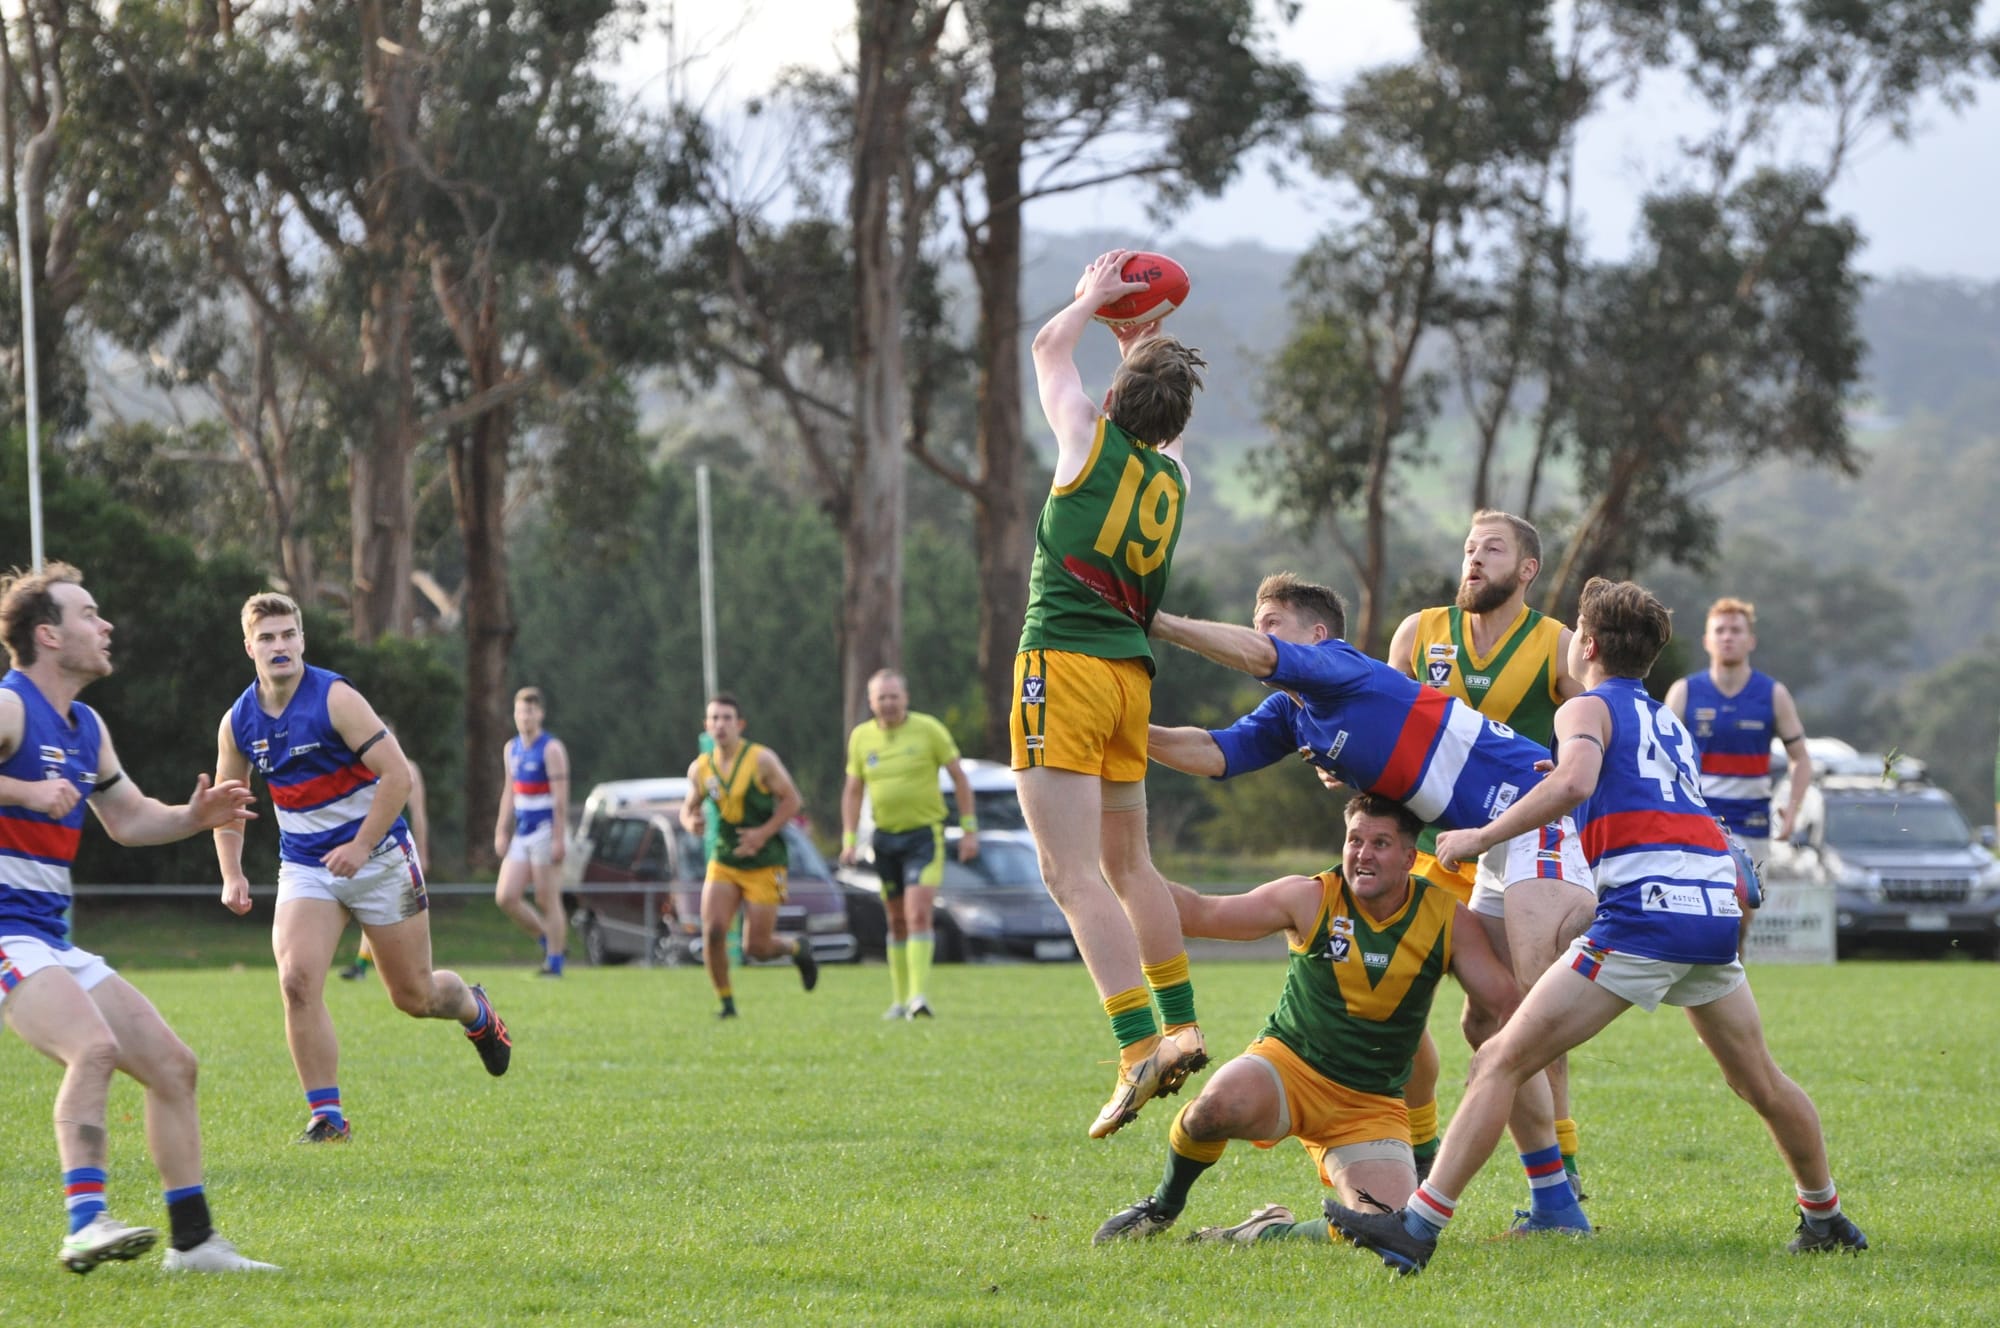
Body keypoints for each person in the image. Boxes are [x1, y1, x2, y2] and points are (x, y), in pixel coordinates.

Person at [1327, 578, 1867, 1273]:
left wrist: (1477, 835)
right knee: (1760, 1079)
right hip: (1710, 910)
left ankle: (1417, 1226)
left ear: (1586, 644)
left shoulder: (1583, 706)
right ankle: (1824, 1215)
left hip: (1646, 918)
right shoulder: (1666, 720)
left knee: (1499, 1055)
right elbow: (1644, 793)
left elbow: (1577, 783)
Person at [1148, 572, 1592, 1231]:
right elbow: (1215, 753)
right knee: (1491, 1024)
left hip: (1530, 812)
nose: (1259, 633)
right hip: (1485, 844)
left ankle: (1561, 1187)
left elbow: (1260, 656)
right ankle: (1553, 1203)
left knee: (1525, 1015)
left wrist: (1158, 623)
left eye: (1272, 621)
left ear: (1317, 637)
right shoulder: (1294, 710)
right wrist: (1120, 732)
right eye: (1256, 619)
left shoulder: (1339, 667)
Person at [1091, 795, 1534, 1247]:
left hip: (1370, 1103)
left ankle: (1261, 1234)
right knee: (1212, 1110)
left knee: (1385, 1226)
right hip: (1289, 1067)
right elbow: (1202, 914)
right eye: (1354, 840)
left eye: (1380, 843)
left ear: (1408, 857)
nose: (1362, 853)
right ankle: (1163, 1206)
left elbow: (1504, 1003)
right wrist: (1129, 872)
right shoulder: (1310, 896)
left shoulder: (1446, 918)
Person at [0, 562, 276, 1273]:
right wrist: (27, 790)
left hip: (47, 938)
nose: (106, 624)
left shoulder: (86, 727)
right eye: (88, 613)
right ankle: (84, 1223)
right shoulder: (10, 708)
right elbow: (30, 789)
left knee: (172, 1066)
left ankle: (193, 1245)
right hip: (5, 935)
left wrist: (193, 816)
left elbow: (126, 818)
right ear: (48, 635)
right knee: (91, 1048)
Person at [1015, 247, 1212, 1139]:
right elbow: (1162, 419)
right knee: (1132, 866)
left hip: (1062, 667)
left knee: (1070, 873)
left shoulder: (1085, 441)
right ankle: (1183, 1024)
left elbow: (1048, 352)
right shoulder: (1172, 477)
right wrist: (1142, 344)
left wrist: (1090, 300)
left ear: (1112, 400)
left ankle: (1138, 1049)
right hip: (1131, 679)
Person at [215, 592, 511, 1144]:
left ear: (302, 639)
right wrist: (231, 871)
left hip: (378, 860)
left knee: (415, 997)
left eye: (288, 635)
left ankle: (475, 1010)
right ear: (249, 646)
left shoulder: (336, 698)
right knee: (296, 981)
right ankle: (327, 1118)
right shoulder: (237, 722)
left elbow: (398, 776)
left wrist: (359, 844)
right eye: (267, 637)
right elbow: (230, 804)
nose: (279, 646)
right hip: (306, 867)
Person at [1383, 511, 1588, 1191]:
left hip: (1517, 849)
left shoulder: (1558, 646)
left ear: (1526, 571)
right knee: (1395, 990)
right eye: (1469, 548)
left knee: (1518, 1009)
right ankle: (1418, 1150)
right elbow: (1382, 722)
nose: (1473, 559)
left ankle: (1563, 1165)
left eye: (1492, 550)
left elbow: (1599, 734)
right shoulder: (1420, 632)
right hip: (1435, 851)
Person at [838, 669, 979, 1019]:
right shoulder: (861, 738)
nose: (888, 703)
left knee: (918, 914)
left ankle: (919, 997)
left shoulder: (928, 729)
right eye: (881, 697)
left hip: (923, 836)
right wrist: (849, 839)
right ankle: (899, 1001)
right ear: (871, 702)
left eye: (893, 696)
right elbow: (853, 790)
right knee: (896, 919)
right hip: (884, 839)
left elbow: (959, 778)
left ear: (906, 697)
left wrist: (969, 829)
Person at [1664, 597, 1812, 928]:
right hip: (1698, 819)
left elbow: (1800, 759)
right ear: (1707, 640)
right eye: (1720, 630)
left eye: (1735, 630)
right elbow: (1659, 756)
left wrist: (1793, 808)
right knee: (1695, 916)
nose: (1727, 637)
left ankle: (1732, 980)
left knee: (1739, 924)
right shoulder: (1684, 691)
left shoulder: (1773, 694)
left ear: (1750, 641)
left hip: (1751, 822)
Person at [678, 694, 817, 1018]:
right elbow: (689, 808)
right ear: (706, 726)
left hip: (764, 861)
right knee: (712, 932)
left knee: (757, 947)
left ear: (740, 724)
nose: (720, 725)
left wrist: (761, 833)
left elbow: (792, 801)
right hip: (724, 860)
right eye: (714, 719)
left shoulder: (761, 760)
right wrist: (690, 822)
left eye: (727, 718)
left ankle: (797, 948)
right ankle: (726, 1004)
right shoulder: (701, 768)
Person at [339, 730, 429, 981]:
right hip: (364, 848)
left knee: (416, 985)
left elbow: (419, 813)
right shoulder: (359, 767)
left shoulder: (406, 768)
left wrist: (422, 850)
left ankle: (370, 965)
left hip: (396, 848)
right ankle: (362, 964)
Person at [493, 687, 571, 976]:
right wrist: (502, 829)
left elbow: (561, 797)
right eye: (521, 711)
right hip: (522, 832)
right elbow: (509, 791)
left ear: (540, 714)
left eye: (531, 711)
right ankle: (549, 940)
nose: (525, 716)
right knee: (506, 896)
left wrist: (560, 837)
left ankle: (555, 962)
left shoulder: (551, 749)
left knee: (546, 898)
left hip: (545, 830)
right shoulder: (511, 748)